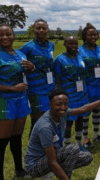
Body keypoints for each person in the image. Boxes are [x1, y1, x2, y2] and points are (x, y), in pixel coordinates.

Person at [24, 89, 100, 179]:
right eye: (58, 104)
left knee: (87, 157)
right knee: (73, 149)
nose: (63, 107)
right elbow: (51, 161)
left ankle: (57, 173)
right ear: (50, 105)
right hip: (35, 165)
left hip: (52, 156)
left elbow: (83, 109)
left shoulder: (63, 113)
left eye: (65, 104)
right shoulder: (45, 127)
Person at [0, 24, 34, 179]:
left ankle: (19, 169)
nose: (5, 37)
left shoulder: (20, 53)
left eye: (8, 34)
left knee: (16, 137)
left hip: (21, 100)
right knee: (2, 140)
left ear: (14, 35)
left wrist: (31, 67)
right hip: (4, 100)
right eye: (1, 35)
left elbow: (24, 71)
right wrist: (12, 88)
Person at [19, 19, 56, 134]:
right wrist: (30, 68)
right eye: (38, 28)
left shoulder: (51, 45)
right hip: (35, 89)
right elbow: (19, 66)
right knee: (38, 120)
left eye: (43, 28)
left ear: (47, 30)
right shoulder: (27, 47)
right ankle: (33, 148)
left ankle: (46, 147)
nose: (41, 30)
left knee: (50, 118)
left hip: (50, 87)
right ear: (33, 30)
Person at [53, 36, 89, 149]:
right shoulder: (59, 59)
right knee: (68, 121)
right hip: (68, 95)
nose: (73, 46)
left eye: (75, 43)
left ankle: (78, 145)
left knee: (80, 119)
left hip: (82, 94)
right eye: (70, 43)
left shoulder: (81, 57)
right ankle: (67, 147)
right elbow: (57, 80)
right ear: (65, 44)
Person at [79, 25, 100, 147]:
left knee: (97, 110)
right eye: (90, 34)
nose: (93, 37)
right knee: (85, 112)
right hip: (87, 85)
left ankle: (96, 135)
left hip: (99, 85)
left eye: (95, 34)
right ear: (84, 36)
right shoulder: (79, 50)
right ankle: (86, 138)